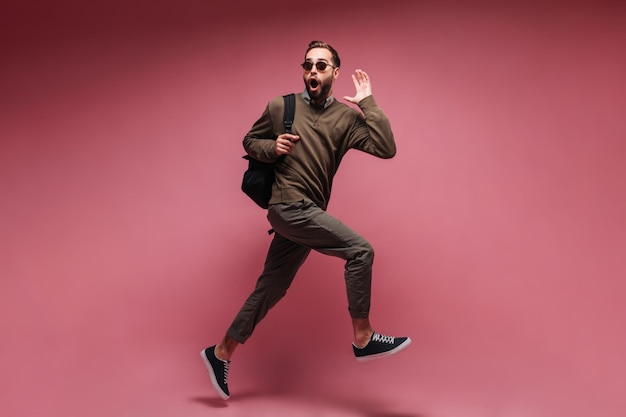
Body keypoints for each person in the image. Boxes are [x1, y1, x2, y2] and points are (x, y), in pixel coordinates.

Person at [201, 40, 411, 400]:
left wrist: (368, 104)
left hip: (308, 213)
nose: (313, 71)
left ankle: (220, 352)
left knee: (272, 287)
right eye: (308, 65)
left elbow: (385, 147)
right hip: (288, 207)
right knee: (361, 251)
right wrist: (273, 147)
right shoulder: (280, 106)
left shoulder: (346, 119)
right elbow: (250, 141)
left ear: (334, 73)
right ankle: (363, 337)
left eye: (321, 66)